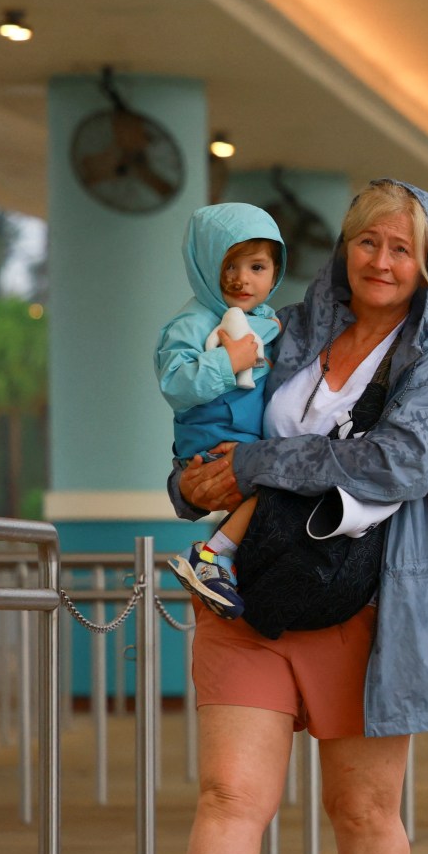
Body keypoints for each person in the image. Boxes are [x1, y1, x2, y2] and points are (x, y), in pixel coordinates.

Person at [132, 179, 428, 854]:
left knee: (362, 808)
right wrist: (189, 483)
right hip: (251, 590)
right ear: (345, 248)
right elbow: (220, 423)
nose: (380, 260)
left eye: (401, 247)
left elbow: (399, 462)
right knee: (231, 793)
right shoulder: (292, 326)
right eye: (368, 241)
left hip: (366, 602)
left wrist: (262, 466)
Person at [155, 204, 286, 618]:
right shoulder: (191, 323)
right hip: (211, 442)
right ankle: (210, 558)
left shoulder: (266, 321)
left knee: (275, 493)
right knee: (276, 485)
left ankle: (222, 563)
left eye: (257, 266)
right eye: (229, 264)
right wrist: (226, 363)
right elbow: (174, 382)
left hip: (246, 443)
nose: (241, 278)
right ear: (205, 263)